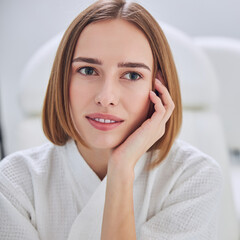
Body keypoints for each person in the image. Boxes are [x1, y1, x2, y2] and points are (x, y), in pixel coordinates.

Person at [0, 0, 223, 239]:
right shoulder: (13, 183)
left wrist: (121, 170)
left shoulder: (194, 177)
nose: (106, 98)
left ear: (158, 88)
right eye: (88, 70)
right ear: (63, 80)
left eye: (132, 75)